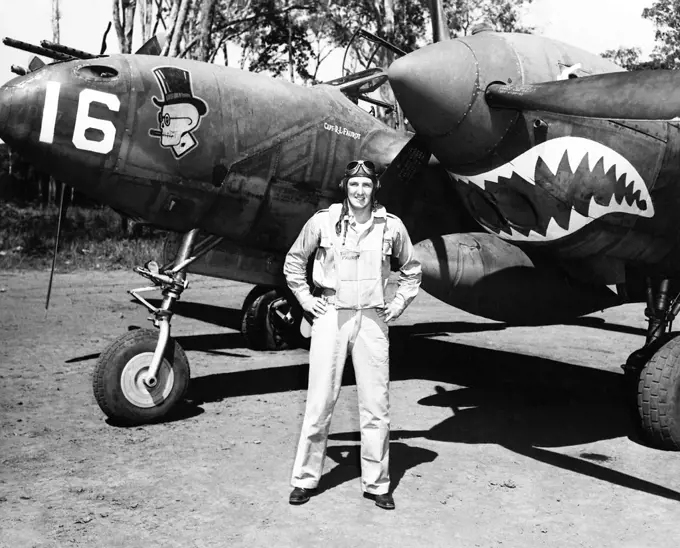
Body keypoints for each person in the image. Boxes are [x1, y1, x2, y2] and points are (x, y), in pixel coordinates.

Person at [283, 159, 422, 510]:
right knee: (319, 401)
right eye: (354, 184)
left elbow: (412, 270)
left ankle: (377, 484)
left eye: (366, 185)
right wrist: (305, 299)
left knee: (376, 405)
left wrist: (398, 304)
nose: (359, 191)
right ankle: (304, 479)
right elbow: (294, 262)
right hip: (331, 315)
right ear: (345, 187)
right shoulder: (322, 222)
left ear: (375, 188)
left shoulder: (391, 227)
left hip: (372, 319)